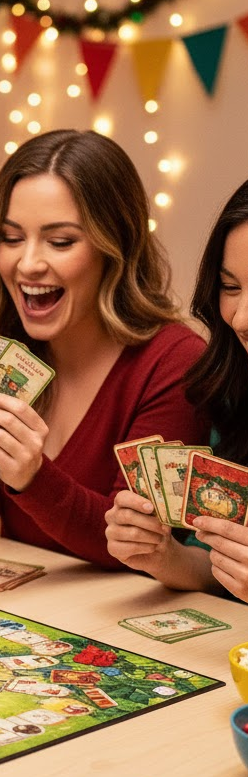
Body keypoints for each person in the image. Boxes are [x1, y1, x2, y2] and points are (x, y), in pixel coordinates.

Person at [0, 129, 209, 568]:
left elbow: (134, 547)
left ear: (114, 247)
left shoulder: (174, 361)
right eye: (11, 238)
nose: (27, 263)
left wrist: (34, 478)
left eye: (60, 241)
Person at [105, 180, 248, 599]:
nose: (240, 319)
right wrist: (160, 554)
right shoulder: (232, 394)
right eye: (230, 287)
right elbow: (214, 565)